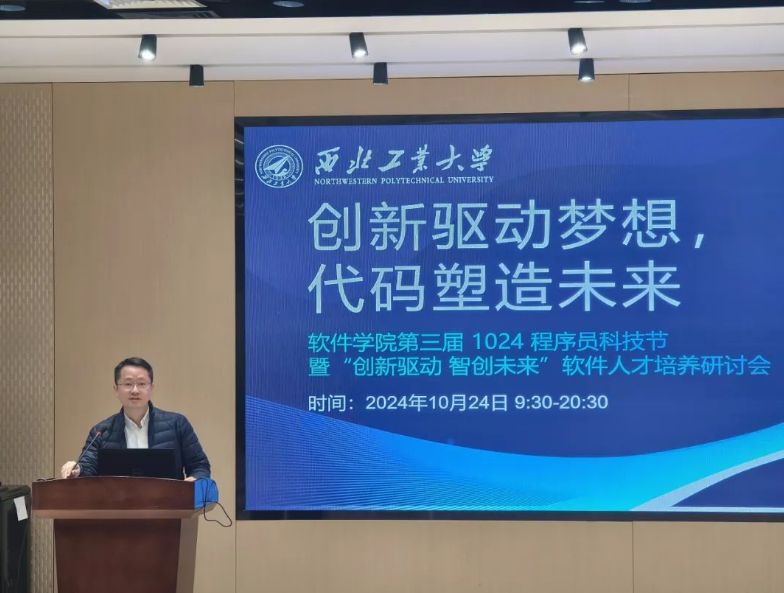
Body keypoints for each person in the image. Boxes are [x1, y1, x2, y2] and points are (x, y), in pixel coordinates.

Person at [60, 357, 211, 481]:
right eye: (128, 384)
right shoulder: (101, 431)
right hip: (117, 506)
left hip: (168, 506)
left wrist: (193, 481)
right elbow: (88, 467)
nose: (135, 390)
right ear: (116, 390)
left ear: (151, 388)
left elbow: (200, 466)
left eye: (141, 384)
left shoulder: (177, 424)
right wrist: (77, 469)